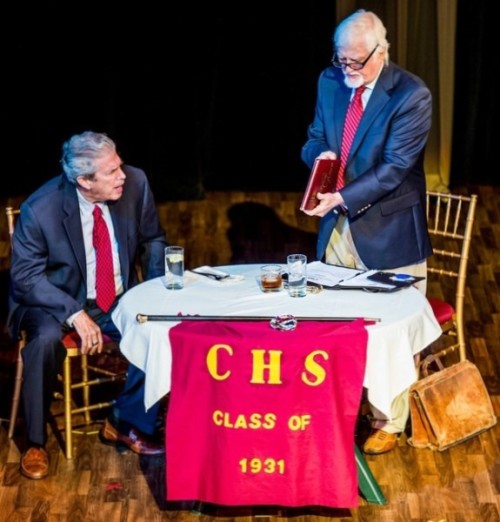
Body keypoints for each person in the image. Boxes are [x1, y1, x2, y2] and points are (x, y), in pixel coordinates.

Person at [301, 10, 433, 455]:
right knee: (337, 318)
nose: (348, 71)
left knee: (389, 328)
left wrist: (340, 196)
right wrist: (321, 163)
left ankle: (389, 421)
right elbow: (315, 136)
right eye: (342, 60)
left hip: (389, 226)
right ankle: (340, 405)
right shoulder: (329, 81)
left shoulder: (411, 95)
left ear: (382, 51)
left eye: (357, 62)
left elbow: (395, 168)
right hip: (338, 224)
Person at [8, 131, 169, 479]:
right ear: (83, 180)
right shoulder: (42, 208)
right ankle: (35, 441)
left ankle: (124, 421)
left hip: (116, 297)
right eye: (112, 171)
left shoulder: (135, 184)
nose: (122, 175)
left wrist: (156, 289)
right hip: (53, 299)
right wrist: (73, 311)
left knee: (157, 325)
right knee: (45, 339)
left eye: (119, 164)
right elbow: (25, 277)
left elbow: (153, 239)